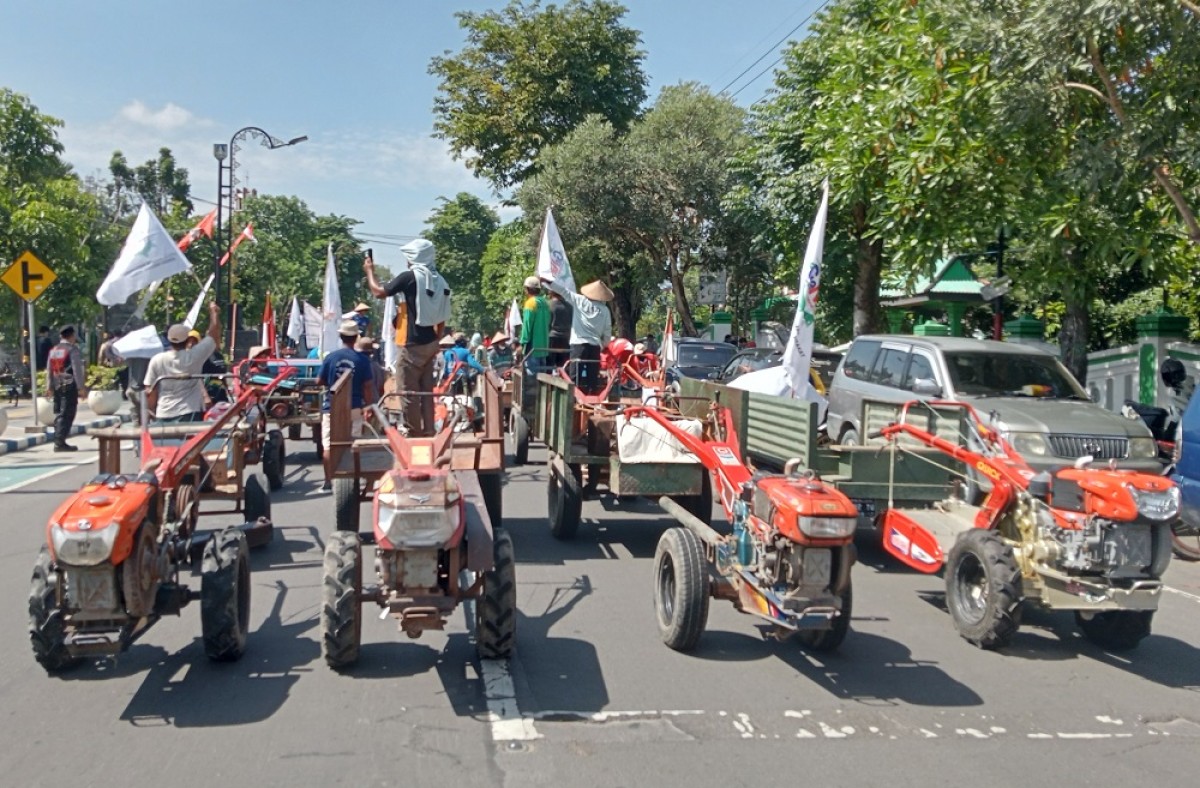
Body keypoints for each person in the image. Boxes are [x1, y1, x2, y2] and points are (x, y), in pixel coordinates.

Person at [364, 239, 451, 436]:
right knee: (426, 391)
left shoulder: (409, 278)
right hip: (430, 342)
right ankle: (429, 430)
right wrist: (437, 340)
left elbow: (378, 292)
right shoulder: (440, 280)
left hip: (411, 344)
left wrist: (369, 270)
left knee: (407, 392)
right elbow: (442, 316)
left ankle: (415, 434)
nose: (406, 262)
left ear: (415, 258)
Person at [318, 319, 377, 490]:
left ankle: (328, 480)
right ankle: (352, 479)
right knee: (354, 443)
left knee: (329, 444)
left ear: (340, 336)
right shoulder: (362, 360)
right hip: (355, 407)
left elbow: (320, 380)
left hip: (331, 408)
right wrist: (369, 406)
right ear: (356, 337)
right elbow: (367, 386)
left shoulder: (331, 358)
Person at [143, 303, 222, 423]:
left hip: (163, 413)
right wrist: (214, 314)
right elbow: (212, 336)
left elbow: (150, 391)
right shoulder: (194, 356)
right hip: (190, 412)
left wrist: (150, 412)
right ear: (187, 340)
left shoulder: (156, 360)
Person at [543, 278, 613, 395]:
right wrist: (603, 345)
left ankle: (573, 400)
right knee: (592, 378)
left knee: (574, 376)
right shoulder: (605, 310)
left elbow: (563, 291)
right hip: (595, 347)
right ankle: (591, 402)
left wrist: (548, 282)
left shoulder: (579, 300)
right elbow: (607, 332)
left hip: (578, 345)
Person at [46, 325, 87, 452]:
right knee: (67, 413)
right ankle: (60, 442)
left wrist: (49, 386)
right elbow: (76, 370)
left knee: (59, 413)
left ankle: (59, 440)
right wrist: (81, 387)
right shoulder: (72, 349)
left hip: (57, 384)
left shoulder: (54, 350)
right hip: (69, 385)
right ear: (71, 336)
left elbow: (49, 369)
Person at [520, 276, 550, 369]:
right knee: (543, 379)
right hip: (544, 348)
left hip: (532, 348)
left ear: (527, 289)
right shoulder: (545, 303)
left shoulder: (530, 303)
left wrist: (523, 342)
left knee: (532, 378)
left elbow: (527, 326)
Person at [355, 335, 388, 403]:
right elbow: (381, 389)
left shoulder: (357, 365)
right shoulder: (378, 367)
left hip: (361, 403)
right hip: (375, 403)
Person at [547, 288, 573, 368]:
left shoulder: (548, 305)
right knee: (563, 368)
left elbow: (547, 324)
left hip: (552, 338)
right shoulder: (570, 307)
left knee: (548, 367)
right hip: (565, 339)